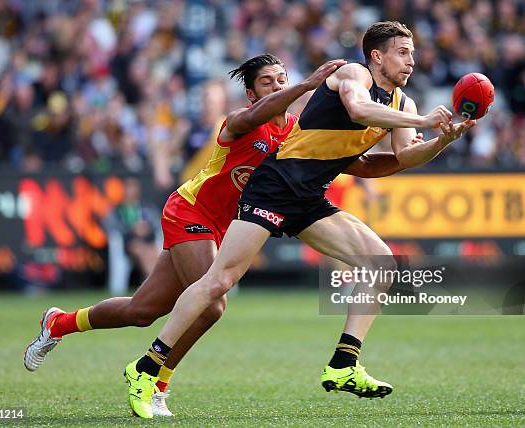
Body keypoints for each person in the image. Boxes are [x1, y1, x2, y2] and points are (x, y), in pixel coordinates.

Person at [126, 20, 475, 408]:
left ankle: (344, 363)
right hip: (276, 185)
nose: (412, 61)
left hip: (308, 195)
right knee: (219, 281)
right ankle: (147, 365)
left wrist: (442, 138)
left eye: (413, 53)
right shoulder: (353, 73)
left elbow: (406, 155)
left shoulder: (403, 104)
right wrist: (425, 121)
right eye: (403, 52)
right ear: (378, 56)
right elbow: (358, 109)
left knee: (382, 263)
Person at [24, 54, 351, 418]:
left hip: (220, 227)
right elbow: (260, 114)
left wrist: (407, 146)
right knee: (213, 303)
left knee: (141, 310)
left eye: (282, 79)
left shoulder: (293, 132)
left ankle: (59, 323)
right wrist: (305, 85)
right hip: (190, 212)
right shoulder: (239, 122)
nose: (278, 86)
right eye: (268, 82)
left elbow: (343, 161)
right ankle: (156, 382)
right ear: (251, 94)